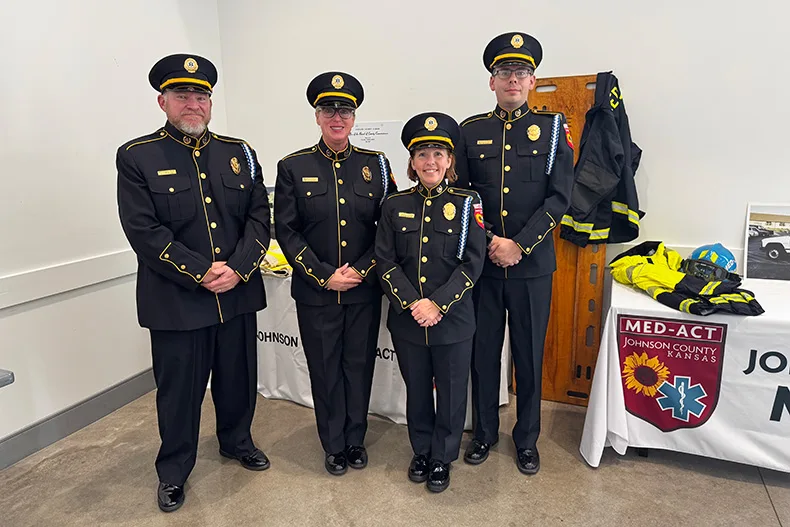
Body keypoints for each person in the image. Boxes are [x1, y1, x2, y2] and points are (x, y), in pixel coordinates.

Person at [116, 54, 271, 513]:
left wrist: (239, 267)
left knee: (238, 380)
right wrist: (200, 271)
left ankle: (236, 441)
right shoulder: (138, 155)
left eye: (201, 95)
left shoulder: (239, 151)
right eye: (182, 94)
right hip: (177, 300)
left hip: (237, 293)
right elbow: (143, 230)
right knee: (180, 391)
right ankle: (174, 470)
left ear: (210, 102)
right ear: (162, 100)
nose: (193, 103)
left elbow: (260, 217)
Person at [455, 32, 574, 475]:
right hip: (483, 268)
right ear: (492, 81)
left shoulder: (553, 128)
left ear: (533, 81)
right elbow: (462, 198)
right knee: (482, 353)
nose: (512, 79)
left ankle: (526, 439)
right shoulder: (470, 131)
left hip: (532, 266)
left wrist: (520, 244)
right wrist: (491, 245)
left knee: (528, 354)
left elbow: (559, 198)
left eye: (521, 72)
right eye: (503, 71)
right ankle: (484, 432)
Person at [274, 72, 396, 475]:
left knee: (358, 367)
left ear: (354, 116)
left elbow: (388, 227)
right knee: (325, 369)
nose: (337, 116)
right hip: (317, 293)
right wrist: (324, 275)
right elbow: (287, 232)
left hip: (362, 290)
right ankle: (333, 443)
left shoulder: (376, 165)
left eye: (344, 109)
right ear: (317, 116)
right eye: (329, 109)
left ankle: (355, 439)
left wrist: (360, 271)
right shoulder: (293, 166)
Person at [375, 113, 485, 492]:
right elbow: (385, 261)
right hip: (409, 320)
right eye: (422, 153)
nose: (431, 162)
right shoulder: (394, 205)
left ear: (450, 160)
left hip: (452, 320)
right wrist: (412, 303)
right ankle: (421, 450)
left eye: (438, 153)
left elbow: (473, 263)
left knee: (453, 393)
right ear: (412, 161)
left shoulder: (468, 202)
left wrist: (438, 304)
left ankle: (443, 457)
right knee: (417, 389)